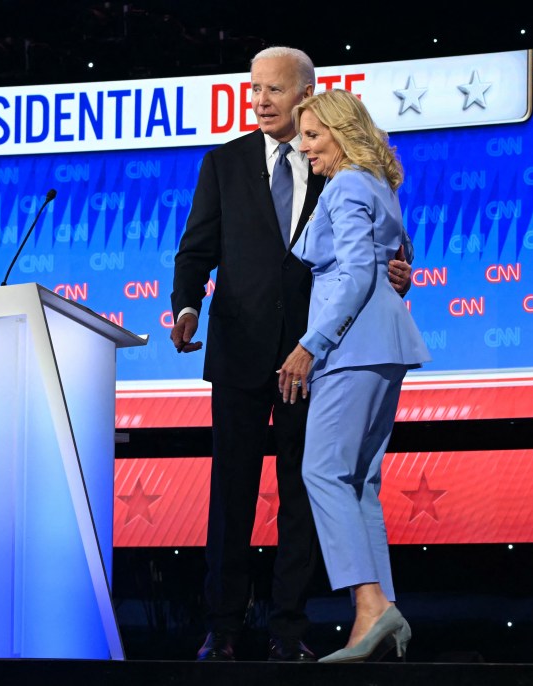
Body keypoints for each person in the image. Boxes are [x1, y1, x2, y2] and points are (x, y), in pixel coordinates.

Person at [169, 46, 414, 662]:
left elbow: (369, 252)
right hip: (243, 353)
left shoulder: (334, 167)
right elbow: (195, 249)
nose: (260, 101)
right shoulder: (225, 164)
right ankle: (223, 629)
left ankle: (289, 630)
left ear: (307, 95)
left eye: (274, 90)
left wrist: (394, 272)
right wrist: (187, 306)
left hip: (316, 356)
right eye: (254, 89)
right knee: (235, 494)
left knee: (309, 491)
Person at [276, 89, 431, 663]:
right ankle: (381, 616)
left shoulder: (345, 185)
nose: (306, 147)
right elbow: (395, 255)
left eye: (314, 135)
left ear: (342, 132)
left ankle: (368, 604)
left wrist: (309, 347)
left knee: (321, 470)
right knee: (360, 483)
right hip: (385, 343)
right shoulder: (379, 186)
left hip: (352, 345)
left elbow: (357, 273)